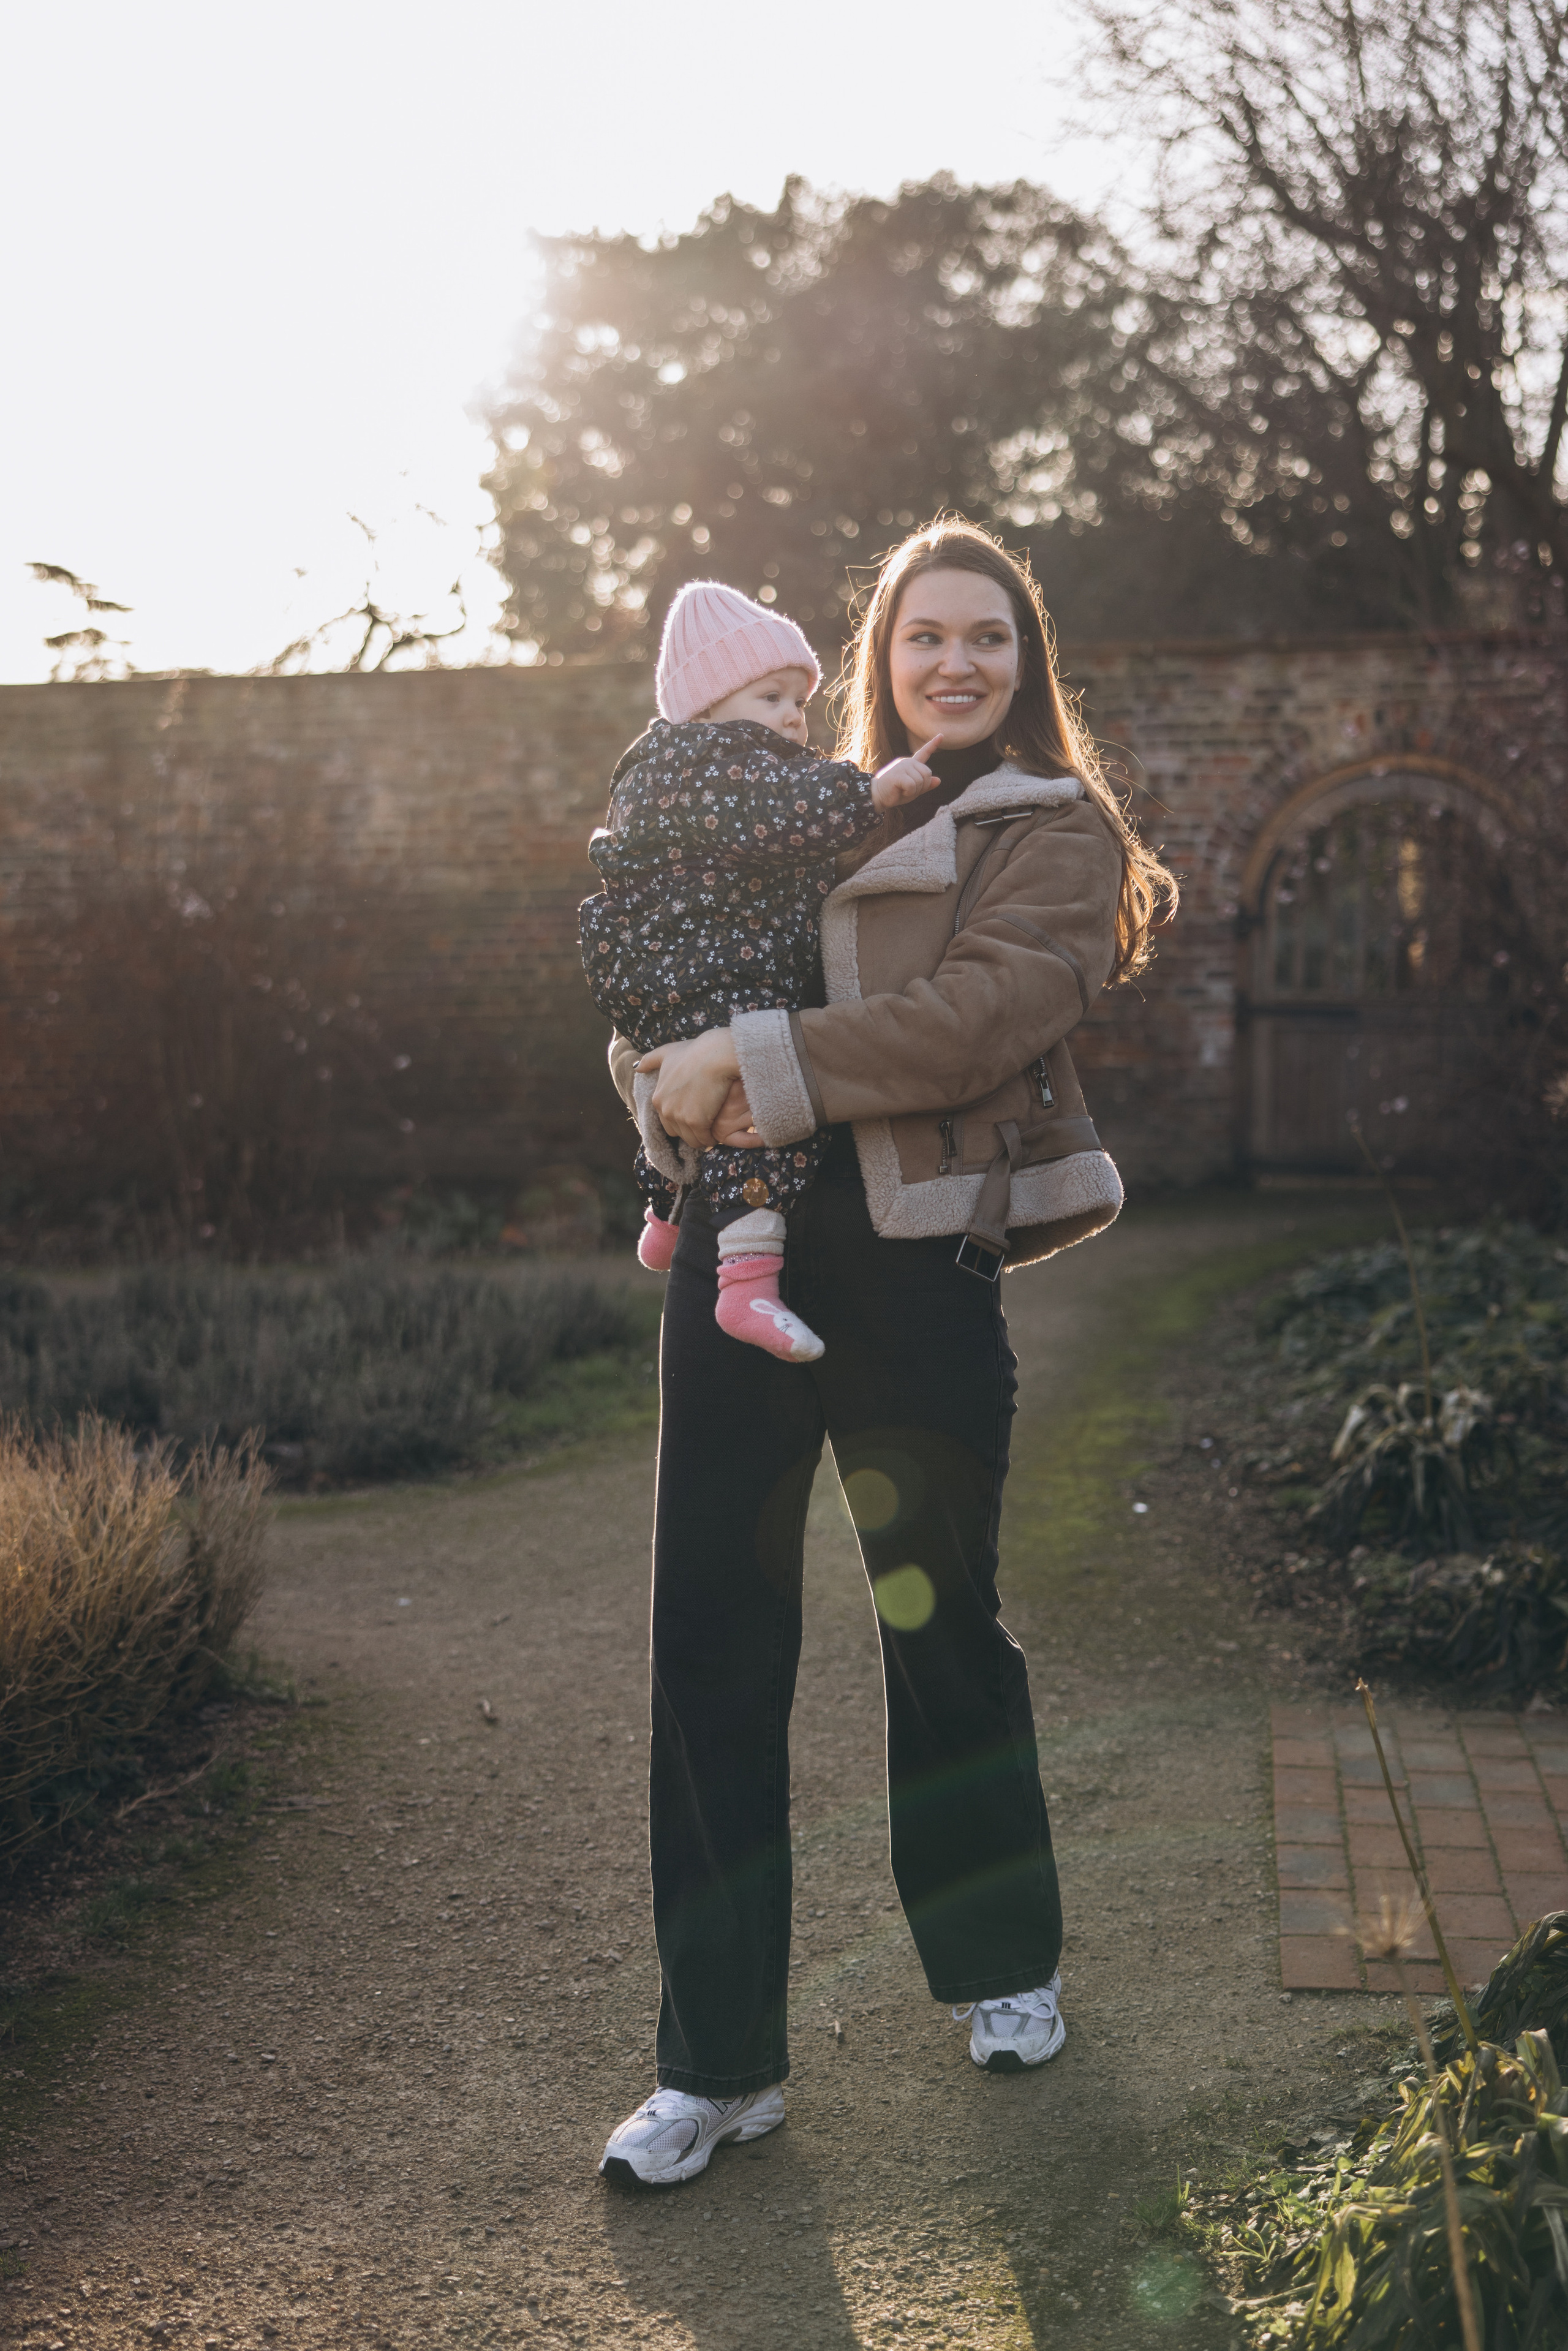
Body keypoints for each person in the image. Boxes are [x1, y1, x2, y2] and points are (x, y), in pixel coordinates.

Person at [597, 519, 1177, 2189]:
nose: (954, 663)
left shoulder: (1049, 826)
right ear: (883, 657)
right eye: (924, 636)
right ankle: (715, 2065)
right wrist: (653, 1073)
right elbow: (658, 956)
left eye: (986, 637)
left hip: (914, 1269)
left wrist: (743, 1059)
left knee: (938, 1628)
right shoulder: (790, 797)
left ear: (1024, 660)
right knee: (709, 1635)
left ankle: (1001, 1965)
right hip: (740, 1250)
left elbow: (976, 1020)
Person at [579, 580, 941, 1362]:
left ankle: (665, 1215)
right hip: (722, 968)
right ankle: (747, 1284)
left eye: (798, 702)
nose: (790, 718)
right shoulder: (728, 769)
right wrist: (873, 790)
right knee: (762, 1114)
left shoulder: (652, 771)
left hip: (662, 968)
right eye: (770, 696)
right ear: (705, 707)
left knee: (675, 1086)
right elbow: (790, 808)